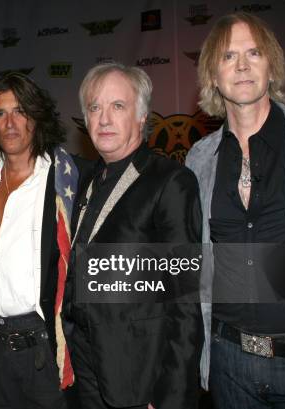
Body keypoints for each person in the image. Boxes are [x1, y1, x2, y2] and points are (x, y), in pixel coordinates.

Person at [185, 12, 285, 408]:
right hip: (229, 365)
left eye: (254, 53)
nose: (243, 65)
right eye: (229, 56)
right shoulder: (199, 160)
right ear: (214, 74)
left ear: (272, 66)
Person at [0, 72, 87, 409]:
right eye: (0, 113)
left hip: (41, 349)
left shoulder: (67, 178)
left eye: (20, 111)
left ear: (37, 117)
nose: (10, 123)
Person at [64, 62, 203, 408]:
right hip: (86, 370)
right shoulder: (87, 180)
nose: (104, 118)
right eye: (95, 108)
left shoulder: (170, 182)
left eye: (118, 106)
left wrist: (170, 395)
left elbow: (185, 302)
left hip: (139, 382)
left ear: (142, 117)